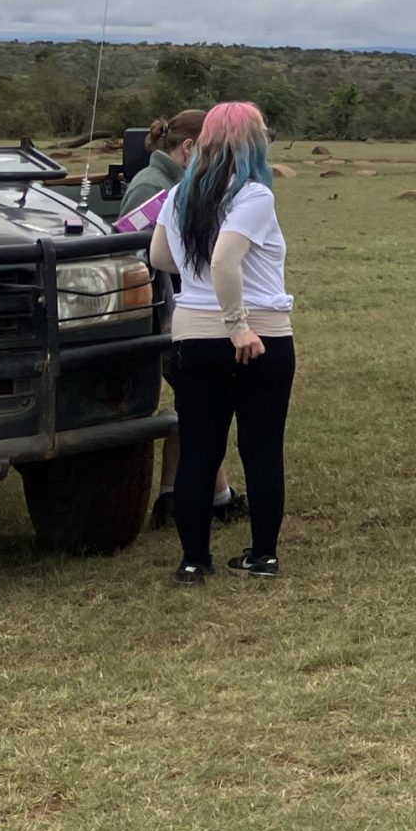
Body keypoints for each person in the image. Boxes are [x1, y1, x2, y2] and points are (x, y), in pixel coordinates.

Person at [148, 103, 293, 585]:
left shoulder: (176, 195)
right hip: (257, 335)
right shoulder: (254, 196)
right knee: (262, 447)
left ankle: (193, 559)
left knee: (198, 450)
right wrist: (237, 325)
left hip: (193, 336)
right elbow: (226, 261)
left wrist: (199, 289)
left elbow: (159, 256)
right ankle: (264, 555)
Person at [127, 108, 242, 531]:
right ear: (190, 147)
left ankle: (179, 496)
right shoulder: (151, 188)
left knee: (193, 405)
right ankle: (211, 497)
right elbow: (147, 259)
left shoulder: (174, 184)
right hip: (166, 316)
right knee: (200, 405)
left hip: (181, 312)